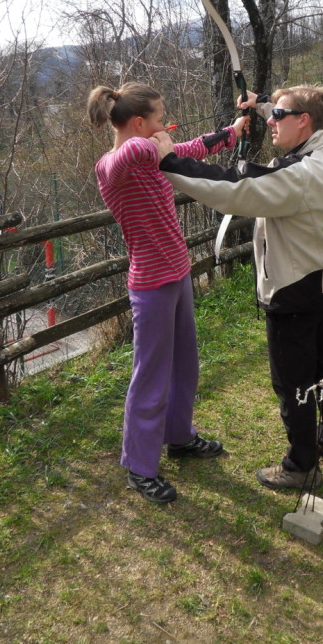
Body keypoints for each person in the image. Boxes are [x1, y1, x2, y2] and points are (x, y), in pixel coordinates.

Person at [154, 85, 323, 491]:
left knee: (293, 380)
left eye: (279, 115)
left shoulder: (300, 175)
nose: (272, 121)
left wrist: (169, 161)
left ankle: (301, 465)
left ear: (304, 121)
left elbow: (237, 185)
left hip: (296, 287)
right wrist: (261, 105)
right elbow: (283, 119)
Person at [87, 81, 245, 504]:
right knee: (151, 377)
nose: (165, 125)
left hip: (177, 275)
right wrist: (156, 144)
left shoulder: (155, 155)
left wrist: (232, 131)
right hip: (151, 287)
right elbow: (129, 154)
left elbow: (189, 149)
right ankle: (140, 467)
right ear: (139, 123)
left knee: (185, 366)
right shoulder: (113, 166)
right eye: (159, 118)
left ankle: (179, 437)